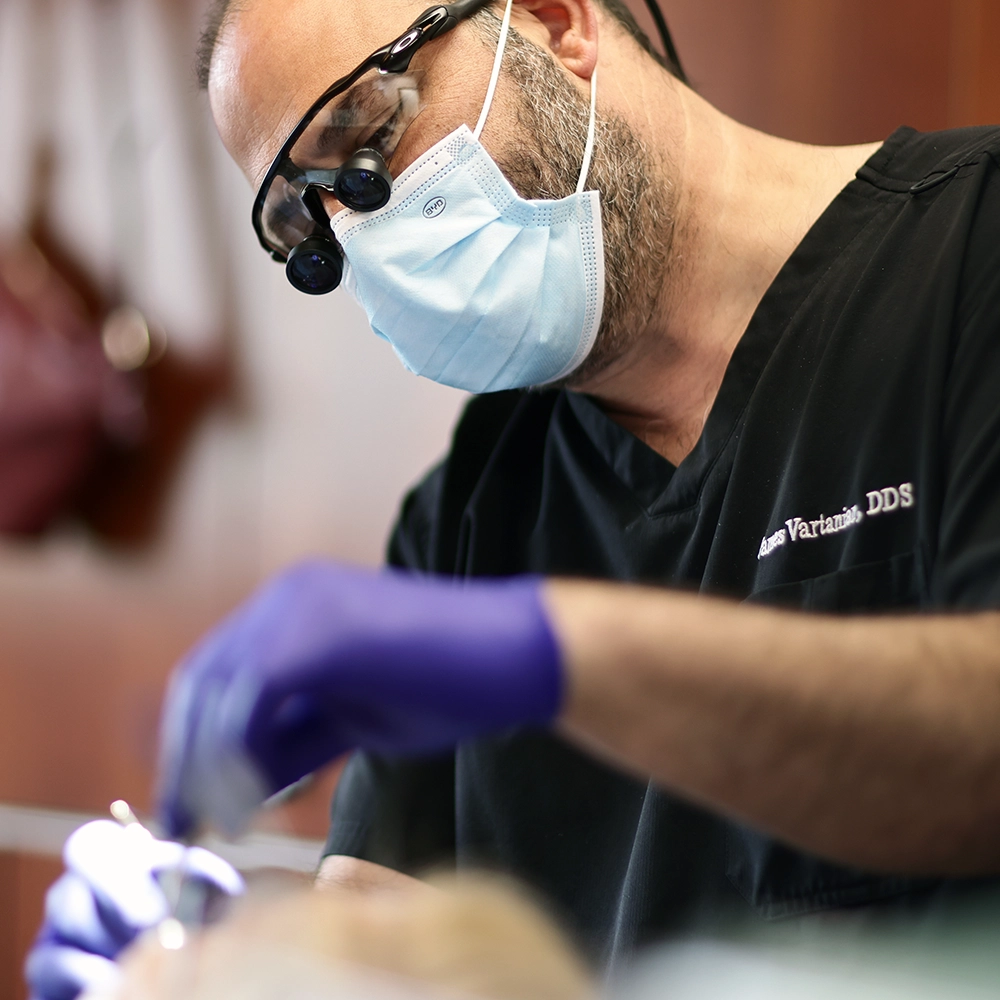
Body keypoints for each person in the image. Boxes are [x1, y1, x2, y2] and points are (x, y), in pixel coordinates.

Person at [28, 0, 1000, 994]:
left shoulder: (973, 253)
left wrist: (551, 655)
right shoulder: (469, 513)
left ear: (555, 22)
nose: (370, 240)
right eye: (313, 231)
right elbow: (386, 945)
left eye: (367, 141)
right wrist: (198, 967)